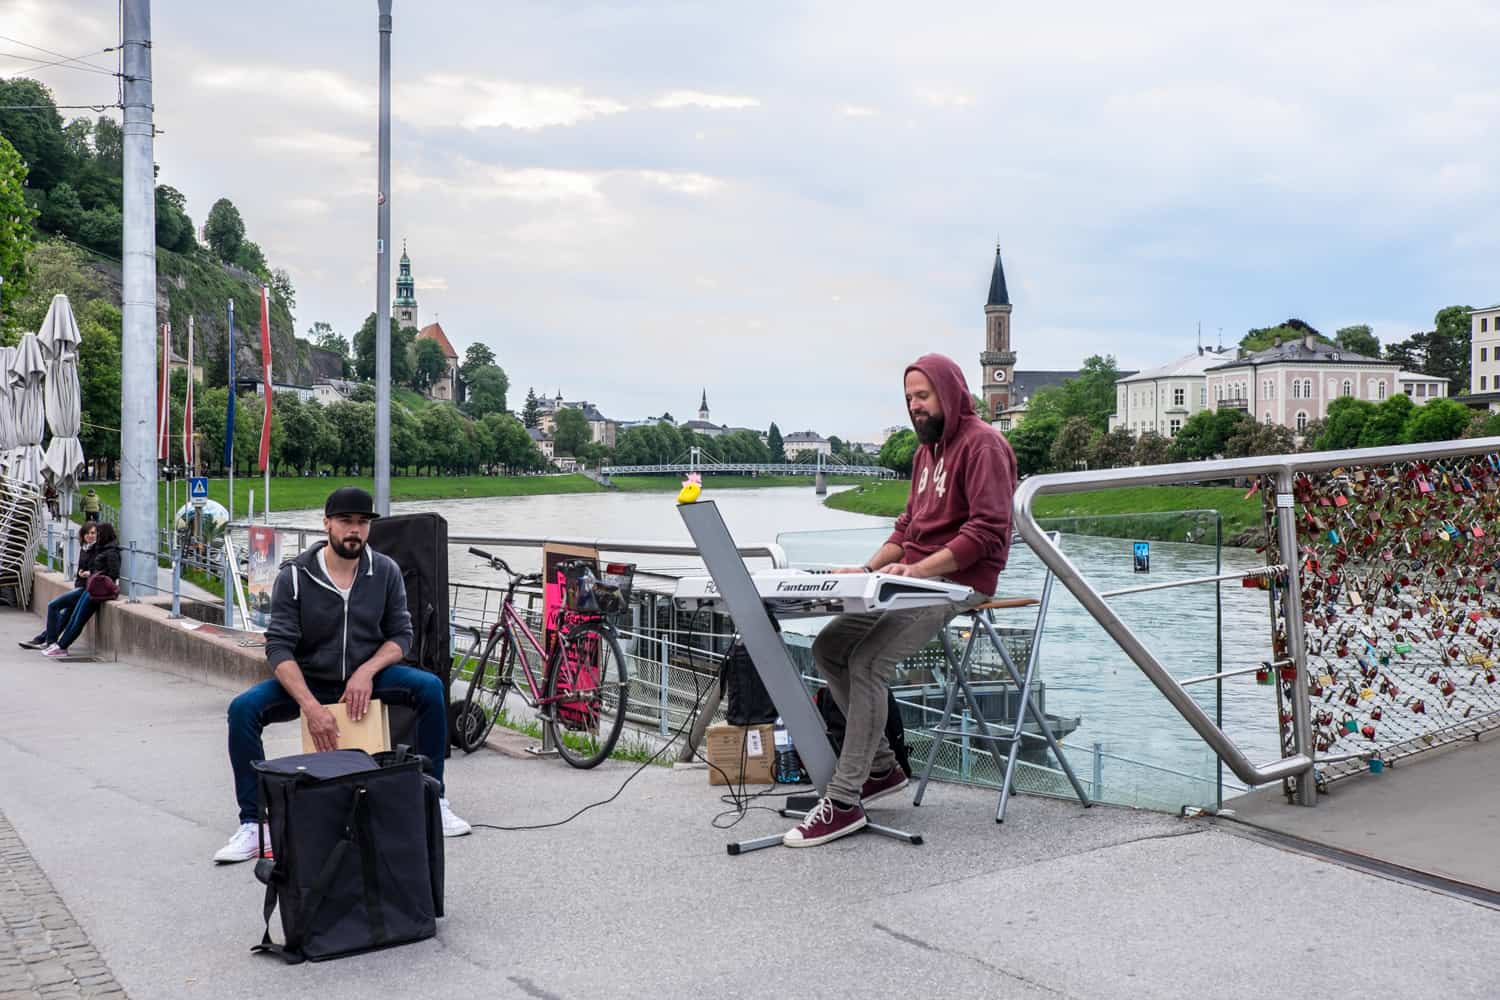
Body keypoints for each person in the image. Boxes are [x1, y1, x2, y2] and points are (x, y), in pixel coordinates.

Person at [783, 353, 1016, 848]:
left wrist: (916, 570)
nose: (914, 406)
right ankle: (883, 769)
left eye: (923, 396)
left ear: (949, 393)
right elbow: (907, 530)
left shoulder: (984, 446)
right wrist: (868, 570)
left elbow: (988, 533)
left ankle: (844, 801)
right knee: (830, 645)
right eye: (909, 397)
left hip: (960, 582)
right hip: (914, 580)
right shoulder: (923, 454)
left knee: (866, 662)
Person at [214, 486, 470, 864]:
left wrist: (367, 671)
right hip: (311, 680)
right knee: (243, 711)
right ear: (327, 524)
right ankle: (254, 824)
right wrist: (310, 706)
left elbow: (402, 636)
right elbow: (279, 647)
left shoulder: (384, 571)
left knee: (430, 689)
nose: (355, 530)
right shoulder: (296, 576)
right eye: (346, 521)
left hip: (366, 679)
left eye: (362, 522)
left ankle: (434, 798)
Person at [25, 523, 119, 657]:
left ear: (103, 535)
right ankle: (52, 642)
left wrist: (91, 574)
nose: (93, 536)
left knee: (73, 616)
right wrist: (85, 573)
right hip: (86, 587)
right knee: (69, 615)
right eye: (89, 533)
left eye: (96, 533)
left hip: (93, 589)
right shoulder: (91, 548)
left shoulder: (106, 551)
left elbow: (112, 573)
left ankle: (56, 644)